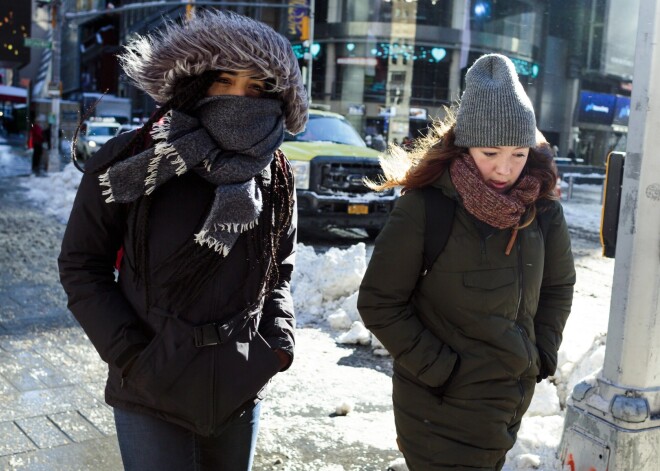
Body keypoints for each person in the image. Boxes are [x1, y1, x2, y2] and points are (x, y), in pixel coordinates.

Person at [58, 10, 307, 470]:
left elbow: (279, 270)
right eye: (224, 80)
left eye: (256, 87)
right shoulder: (132, 160)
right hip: (149, 383)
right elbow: (82, 264)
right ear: (194, 83)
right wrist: (132, 355)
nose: (239, 98)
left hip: (238, 380)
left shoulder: (276, 175)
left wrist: (276, 343)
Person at [357, 54, 576, 470]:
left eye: (518, 153)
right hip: (438, 407)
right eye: (490, 152)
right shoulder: (426, 208)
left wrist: (541, 354)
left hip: (508, 404)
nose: (504, 168)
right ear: (465, 144)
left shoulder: (542, 209)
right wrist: (443, 371)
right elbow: (379, 303)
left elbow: (557, 285)